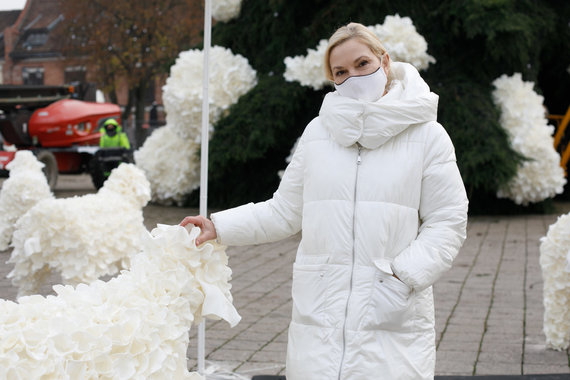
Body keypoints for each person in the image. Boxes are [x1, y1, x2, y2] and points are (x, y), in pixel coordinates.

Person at [181, 22, 468, 380]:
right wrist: (219, 226)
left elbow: (448, 220)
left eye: (362, 64)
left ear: (385, 61)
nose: (353, 77)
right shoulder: (318, 133)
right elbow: (284, 211)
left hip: (391, 311)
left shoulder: (428, 136)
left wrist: (402, 275)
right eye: (340, 72)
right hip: (319, 316)